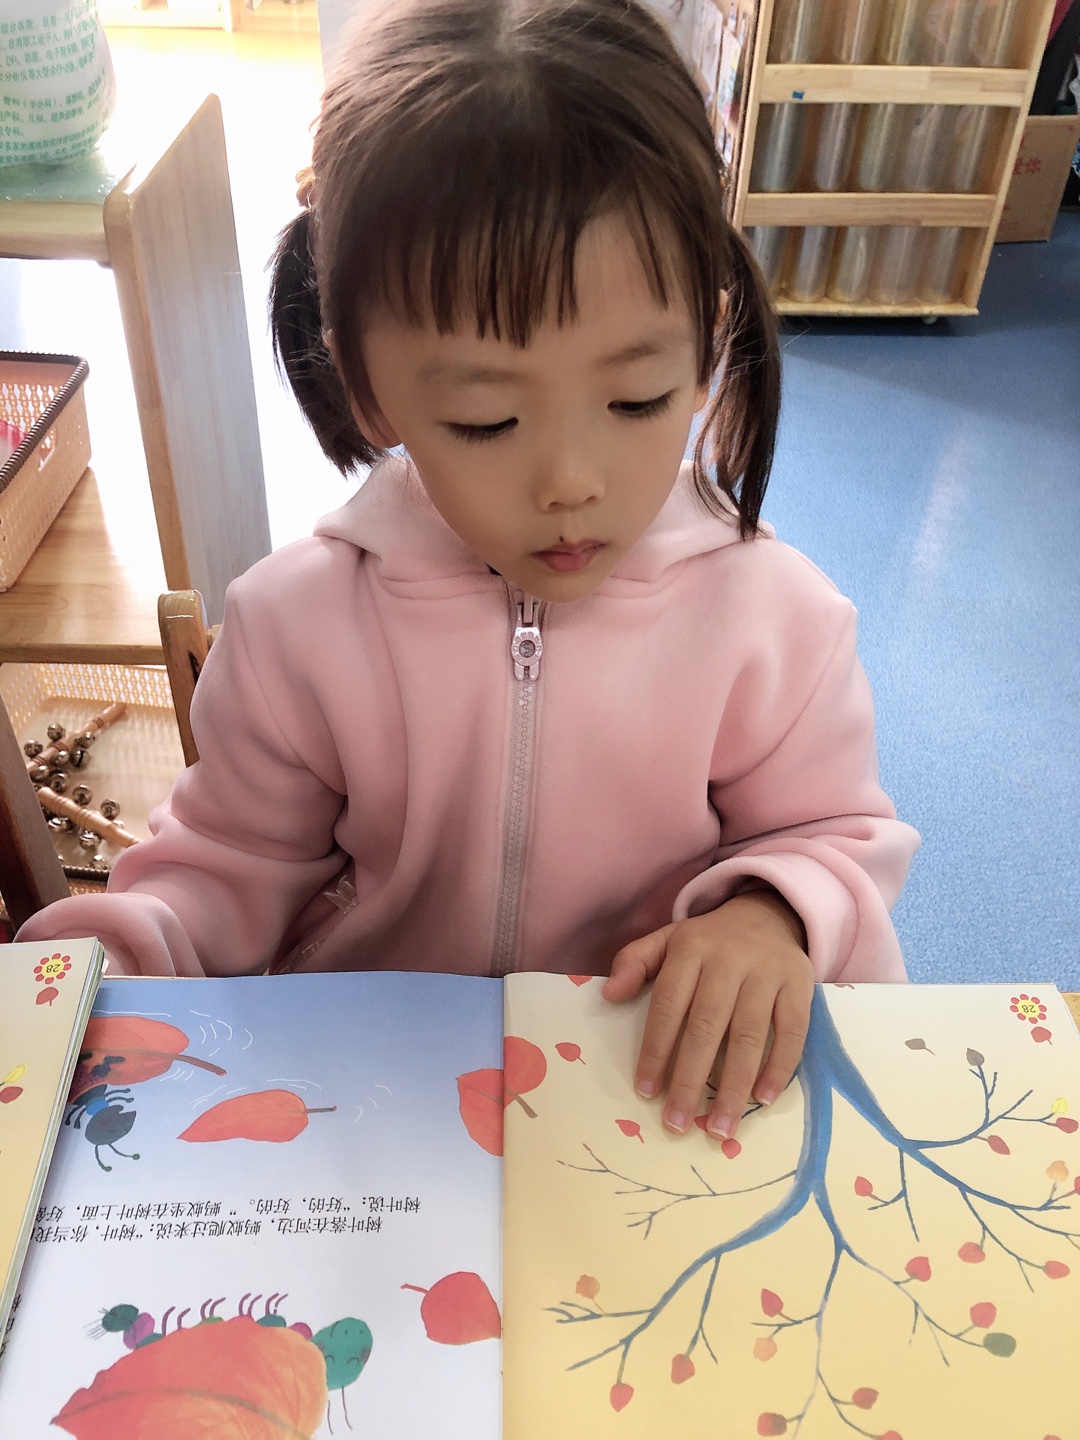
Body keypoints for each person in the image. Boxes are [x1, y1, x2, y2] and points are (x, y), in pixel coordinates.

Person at [18, 0, 920, 1144]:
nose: (571, 481)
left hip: (645, 1097)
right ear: (366, 389)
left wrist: (771, 916)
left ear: (709, 341)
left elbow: (835, 839)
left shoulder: (776, 623)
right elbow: (226, 870)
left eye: (637, 399)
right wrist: (106, 961)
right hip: (370, 1106)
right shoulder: (299, 624)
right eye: (487, 420)